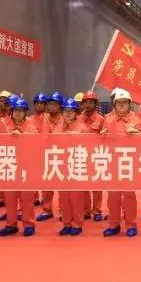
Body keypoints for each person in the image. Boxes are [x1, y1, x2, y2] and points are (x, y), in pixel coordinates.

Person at [100, 89, 141, 237]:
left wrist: (137, 133)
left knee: (129, 195)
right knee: (113, 196)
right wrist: (102, 135)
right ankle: (113, 224)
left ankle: (131, 225)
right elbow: (100, 140)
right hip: (112, 162)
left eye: (124, 102)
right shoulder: (107, 119)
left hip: (128, 162)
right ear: (114, 104)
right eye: (119, 102)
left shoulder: (136, 120)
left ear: (129, 103)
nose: (121, 105)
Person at [0, 98, 39, 237]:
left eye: (21, 110)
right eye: (16, 110)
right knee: (10, 198)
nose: (18, 113)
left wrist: (22, 137)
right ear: (12, 111)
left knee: (27, 199)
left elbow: (36, 145)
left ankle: (29, 224)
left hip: (26, 167)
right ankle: (11, 224)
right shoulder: (3, 124)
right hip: (9, 165)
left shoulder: (31, 127)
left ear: (25, 112)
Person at [52, 98, 90, 236]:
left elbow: (88, 148)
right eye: (66, 111)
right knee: (64, 197)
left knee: (76, 197)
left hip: (76, 165)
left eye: (71, 111)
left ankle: (77, 224)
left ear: (76, 113)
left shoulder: (82, 128)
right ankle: (66, 223)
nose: (68, 113)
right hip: (62, 166)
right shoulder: (58, 127)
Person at [35, 91, 66, 222]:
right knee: (47, 185)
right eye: (50, 104)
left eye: (55, 104)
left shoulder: (65, 119)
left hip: (62, 156)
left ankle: (63, 211)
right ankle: (47, 210)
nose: (52, 106)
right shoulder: (44, 119)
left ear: (60, 105)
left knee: (63, 187)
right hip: (47, 155)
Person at [77, 91, 106, 221]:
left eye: (91, 102)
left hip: (96, 156)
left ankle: (97, 210)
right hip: (81, 156)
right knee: (83, 185)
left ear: (95, 104)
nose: (88, 105)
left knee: (97, 186)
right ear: (82, 104)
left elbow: (105, 139)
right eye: (86, 102)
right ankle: (86, 210)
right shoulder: (78, 119)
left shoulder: (101, 119)